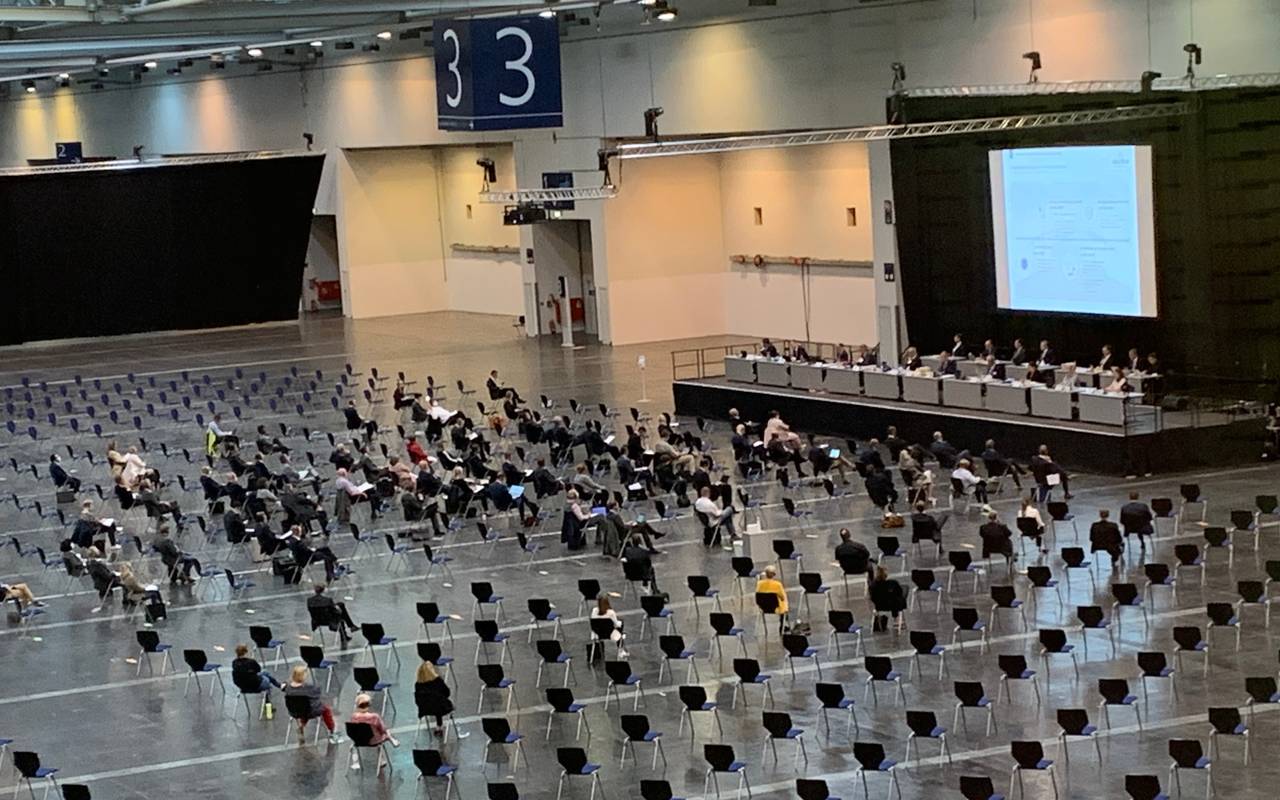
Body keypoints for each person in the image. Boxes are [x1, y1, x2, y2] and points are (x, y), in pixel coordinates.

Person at [285, 665, 342, 744]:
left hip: (294, 712)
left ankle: (301, 726)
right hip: (310, 711)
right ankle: (332, 731)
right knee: (325, 709)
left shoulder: (288, 688)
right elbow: (317, 693)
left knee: (303, 707)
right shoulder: (308, 687)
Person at [413, 661, 458, 736]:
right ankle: (439, 727)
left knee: (434, 702)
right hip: (441, 707)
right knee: (438, 703)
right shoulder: (437, 681)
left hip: (424, 709)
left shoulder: (418, 685)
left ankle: (439, 727)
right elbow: (447, 693)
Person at [868, 565, 906, 632]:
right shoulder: (893, 583)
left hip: (879, 606)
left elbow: (872, 598)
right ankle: (896, 618)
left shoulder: (873, 586)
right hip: (893, 605)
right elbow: (899, 593)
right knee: (898, 598)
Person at [755, 565, 789, 633]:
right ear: (774, 574)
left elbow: (757, 596)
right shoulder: (777, 585)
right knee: (784, 602)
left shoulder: (759, 584)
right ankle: (783, 625)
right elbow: (782, 597)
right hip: (775, 608)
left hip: (763, 607)